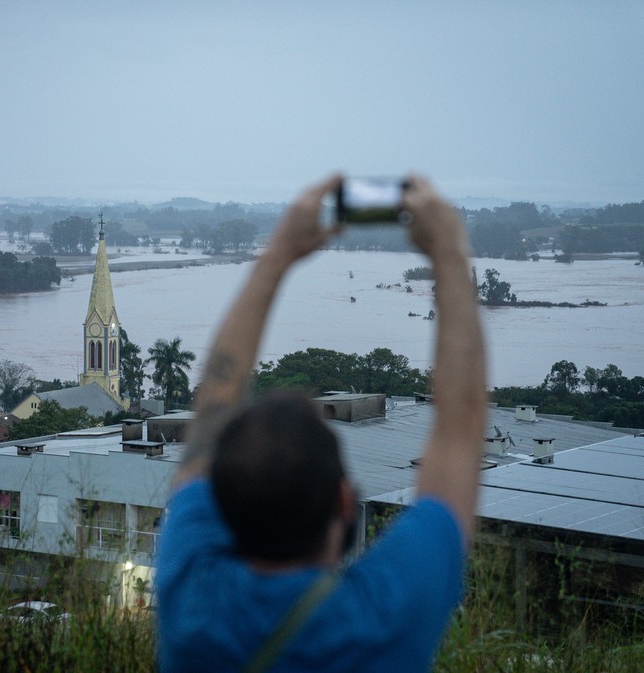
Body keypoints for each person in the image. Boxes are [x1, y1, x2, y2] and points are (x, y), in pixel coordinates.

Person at [155, 174, 487, 673]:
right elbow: (460, 429)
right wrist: (449, 252)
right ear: (345, 502)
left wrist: (277, 255)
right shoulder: (382, 621)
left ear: (218, 505)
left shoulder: (190, 601)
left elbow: (215, 402)